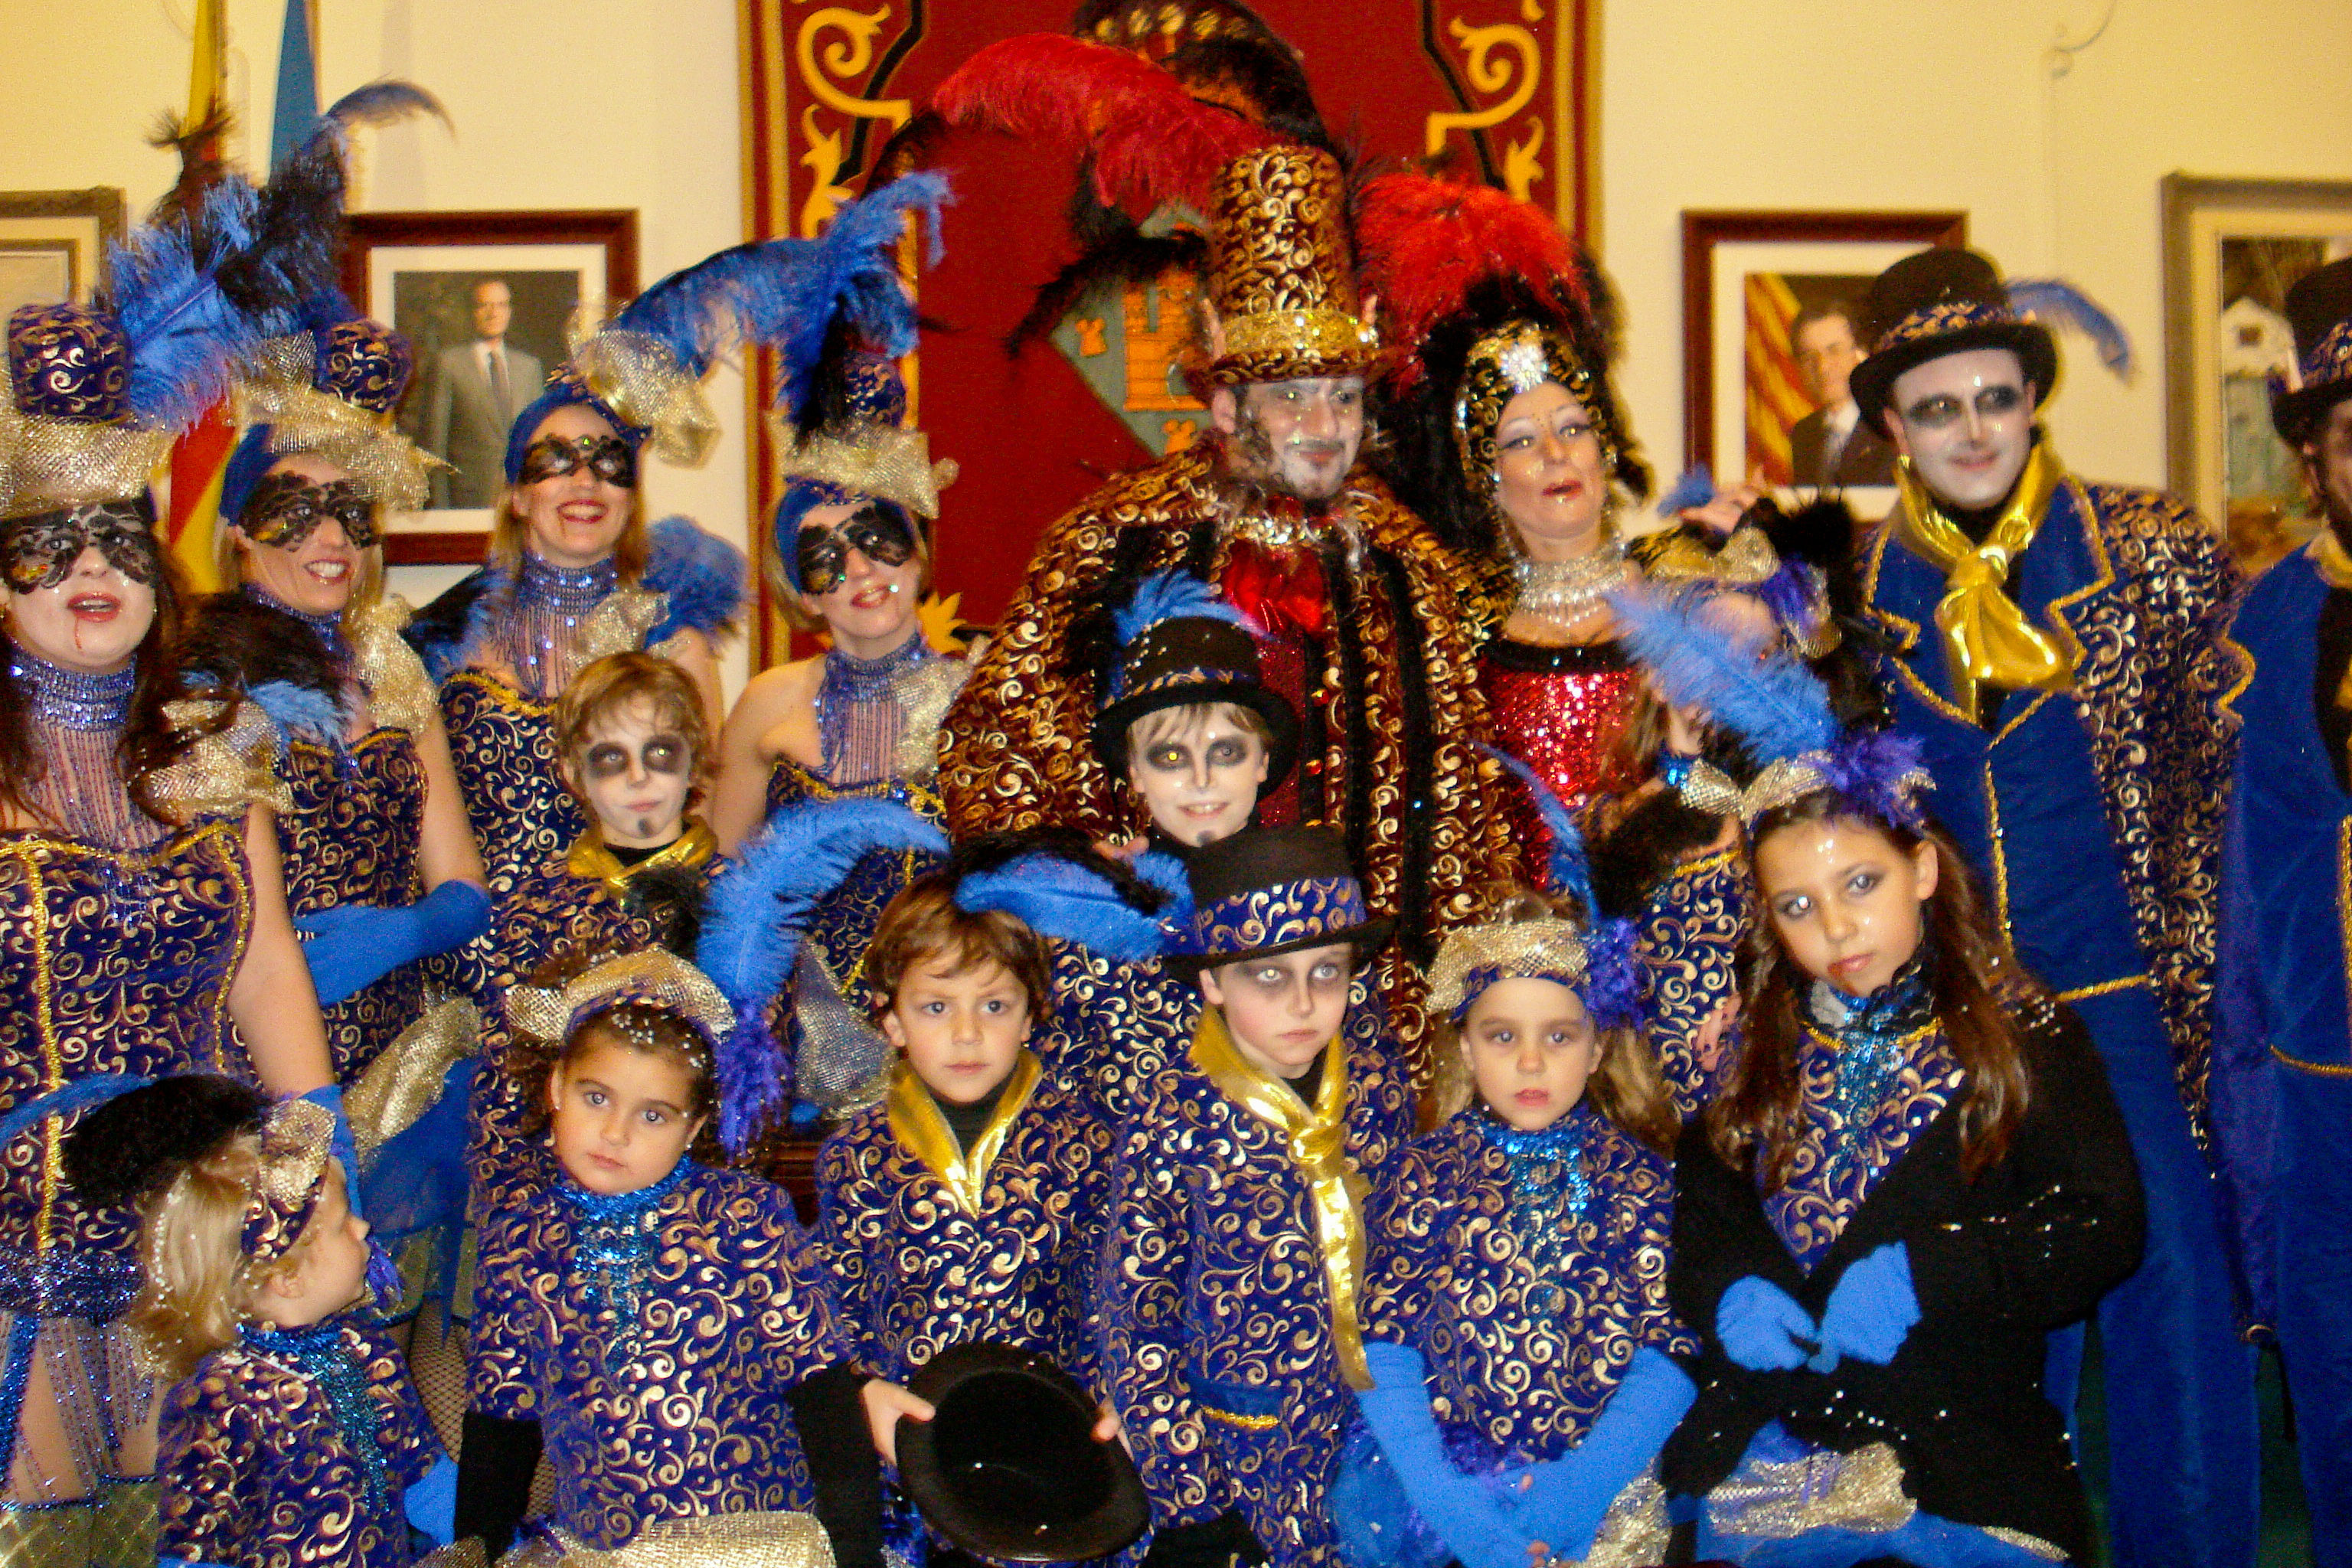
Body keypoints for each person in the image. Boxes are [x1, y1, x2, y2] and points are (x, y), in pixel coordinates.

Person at [1844, 247, 2256, 1568]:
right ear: (1893, 426)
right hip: (1954, 1018)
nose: (1972, 431)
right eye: (1937, 408)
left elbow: (2230, 782)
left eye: (1995, 399)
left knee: (2172, 1307)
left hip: (2132, 1002)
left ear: (2032, 402)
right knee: (1982, 1325)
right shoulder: (1854, 596)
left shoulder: (2152, 551)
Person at [940, 145, 1517, 1072]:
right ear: (1222, 402)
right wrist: (1088, 869)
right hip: (1149, 1017)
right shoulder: (1114, 539)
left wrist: (1457, 1003)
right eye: (1291, 398)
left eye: (1342, 397)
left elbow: (1461, 811)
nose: (1324, 428)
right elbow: (993, 747)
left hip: (1362, 1025)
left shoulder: (1411, 568)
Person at [0, 284, 336, 1560]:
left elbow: (266, 968)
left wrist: (320, 1161)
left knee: (191, 1532)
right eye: (49, 541)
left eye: (118, 538)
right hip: (13, 1248)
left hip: (198, 1231)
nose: (91, 567)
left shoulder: (215, 754)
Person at [1660, 687, 2145, 1566]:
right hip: (1772, 1451)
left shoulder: (2017, 1033)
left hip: (1962, 1458)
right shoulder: (1752, 1047)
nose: (1836, 926)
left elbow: (2102, 1224)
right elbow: (1702, 1217)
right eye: (1796, 905)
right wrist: (1730, 1287)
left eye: (1861, 882)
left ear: (1921, 868)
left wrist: (1934, 1270)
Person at [453, 949, 884, 1563]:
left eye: (653, 1115)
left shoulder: (743, 1216)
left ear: (694, 1127)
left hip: (760, 1549)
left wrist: (855, 1551)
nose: (616, 1133)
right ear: (556, 1086)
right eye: (596, 1098)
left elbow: (822, 1393)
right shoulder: (519, 1242)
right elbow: (500, 1433)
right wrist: (475, 1555)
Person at [1339, 894, 1694, 1568]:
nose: (1531, 1063)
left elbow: (1670, 1347)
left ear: (1597, 1048)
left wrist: (1581, 1489)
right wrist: (1447, 1502)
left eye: (1559, 1037)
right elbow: (1383, 1344)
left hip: (1605, 1494)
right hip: (1449, 1492)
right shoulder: (1425, 1172)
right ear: (1466, 1047)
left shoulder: (1639, 1179)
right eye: (1503, 1036)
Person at [185, 313, 490, 1087]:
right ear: (239, 531)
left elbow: (462, 880)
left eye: (351, 512)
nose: (332, 538)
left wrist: (409, 931)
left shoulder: (391, 670)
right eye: (296, 511)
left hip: (404, 1065)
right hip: (251, 1067)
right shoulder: (199, 681)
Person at [1098, 826, 1416, 1568]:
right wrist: (1193, 1501)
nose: (1303, 1003)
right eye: (1269, 976)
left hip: (1373, 1445)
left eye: (1327, 971)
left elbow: (1411, 1261)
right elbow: (1135, 1317)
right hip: (1240, 1456)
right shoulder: (1172, 1113)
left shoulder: (1378, 1084)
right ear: (1213, 982)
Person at [813, 867, 1116, 1562]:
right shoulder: (856, 1156)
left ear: (1033, 1013)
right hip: (912, 1462)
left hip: (1053, 1460)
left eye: (995, 1005)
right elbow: (834, 1307)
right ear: (891, 1018)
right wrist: (861, 1393)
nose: (967, 1034)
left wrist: (1120, 1402)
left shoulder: (1090, 1145)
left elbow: (1116, 1298)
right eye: (935, 1007)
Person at [61, 1077, 450, 1568]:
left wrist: (494, 1539)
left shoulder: (367, 1350)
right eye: (342, 1224)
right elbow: (197, 1548)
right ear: (287, 1276)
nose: (364, 1227)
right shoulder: (226, 1396)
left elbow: (425, 1480)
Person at [2212, 253, 2352, 1567]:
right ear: (2313, 455)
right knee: (2336, 1363)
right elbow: (2237, 872)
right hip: (2323, 1081)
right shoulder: (2269, 620)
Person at [707, 348, 965, 855]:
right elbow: (721, 871)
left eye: (876, 539)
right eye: (825, 557)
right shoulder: (767, 702)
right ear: (804, 595)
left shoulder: (976, 701)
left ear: (916, 554)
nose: (861, 569)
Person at [423, 279, 543, 509]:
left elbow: (539, 443)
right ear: (472, 312)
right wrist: (440, 511)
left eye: (501, 305)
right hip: (467, 502)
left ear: (509, 311)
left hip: (520, 502)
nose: (493, 313)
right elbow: (434, 446)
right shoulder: (448, 364)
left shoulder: (528, 368)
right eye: (484, 305)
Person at [1787, 300, 1894, 489]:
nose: (1822, 367)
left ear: (1861, 355)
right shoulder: (1803, 434)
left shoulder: (1890, 430)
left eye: (1834, 351)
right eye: (1808, 357)